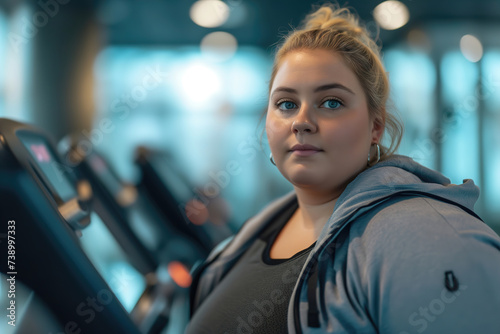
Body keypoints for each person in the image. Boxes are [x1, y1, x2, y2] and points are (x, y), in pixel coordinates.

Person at [185, 4, 500, 334]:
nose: (302, 122)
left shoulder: (428, 239)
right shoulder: (258, 231)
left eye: (331, 102)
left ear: (375, 127)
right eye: (286, 104)